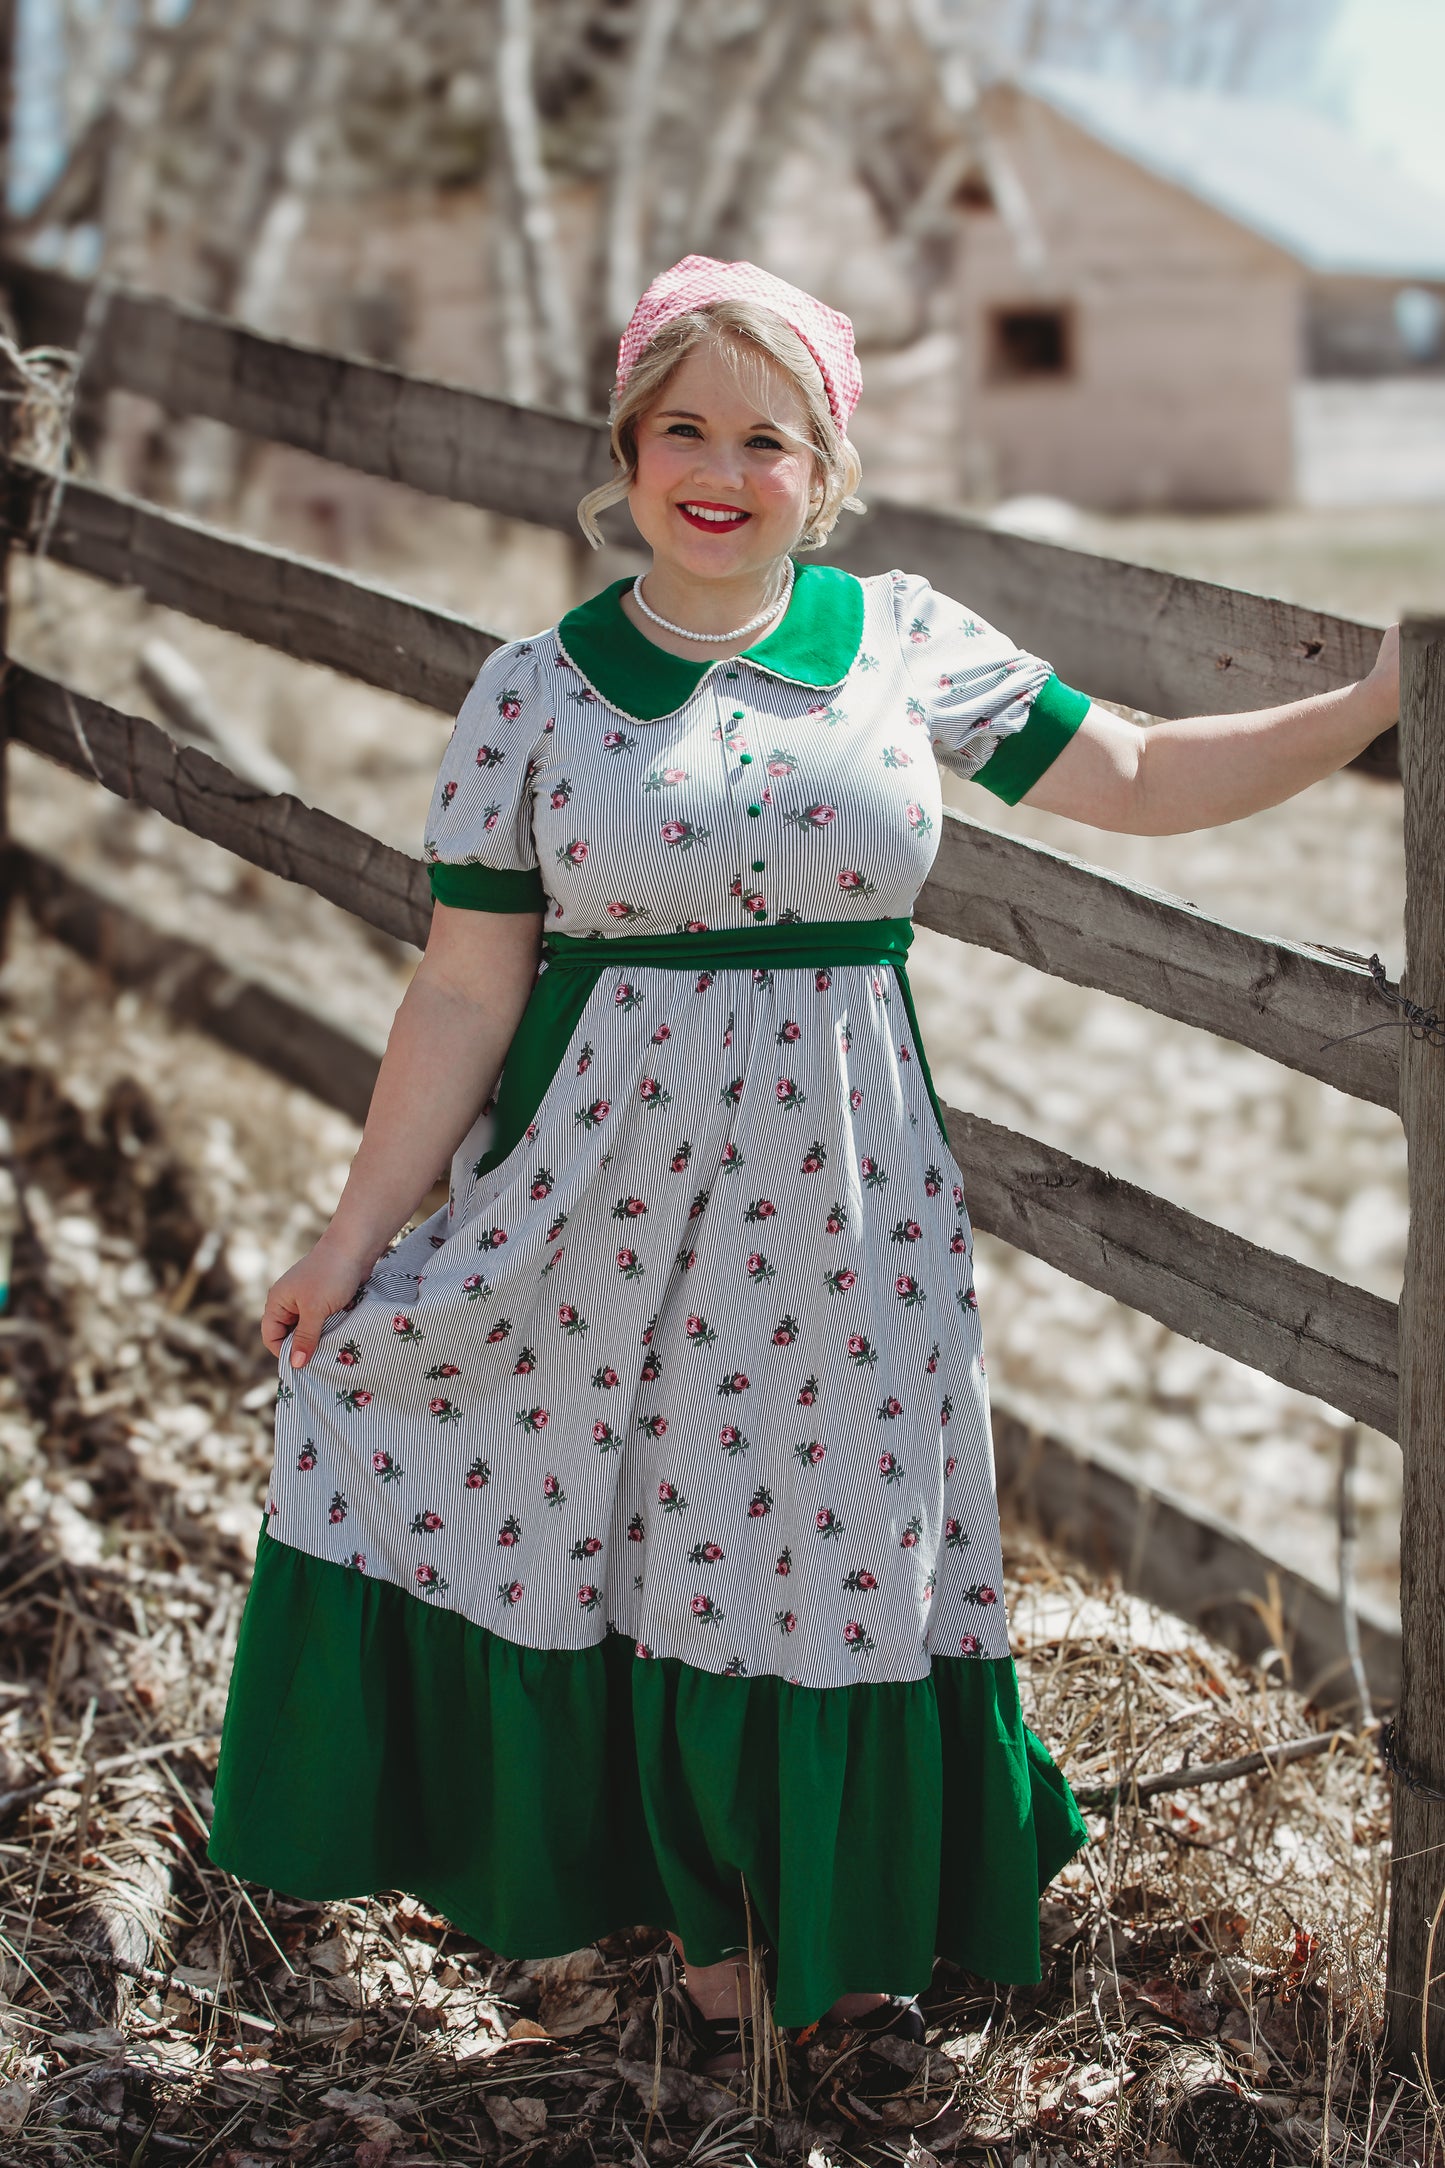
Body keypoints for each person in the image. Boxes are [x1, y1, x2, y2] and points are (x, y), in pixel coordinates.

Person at [207, 255, 1399, 2068]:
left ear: (822, 470)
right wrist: (350, 1236)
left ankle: (836, 1947)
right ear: (626, 451)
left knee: (835, 1549)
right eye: (681, 428)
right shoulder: (534, 693)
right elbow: (459, 991)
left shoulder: (900, 640)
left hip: (842, 1205)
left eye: (765, 439)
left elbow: (1141, 772)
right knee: (625, 1544)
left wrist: (1379, 697)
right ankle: (712, 1946)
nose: (719, 469)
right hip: (590, 1201)